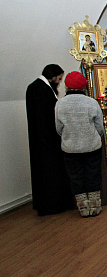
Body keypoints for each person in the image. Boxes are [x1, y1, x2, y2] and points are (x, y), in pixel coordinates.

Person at [26, 64, 74, 216]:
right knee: (50, 173)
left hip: (42, 140)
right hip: (47, 141)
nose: (59, 83)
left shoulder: (35, 87)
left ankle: (51, 203)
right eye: (59, 79)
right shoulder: (42, 90)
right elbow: (48, 118)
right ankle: (53, 204)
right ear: (52, 77)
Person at [55, 71, 105, 217]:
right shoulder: (91, 102)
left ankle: (83, 208)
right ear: (83, 86)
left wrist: (69, 137)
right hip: (91, 146)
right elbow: (99, 126)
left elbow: (58, 128)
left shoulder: (60, 104)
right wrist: (94, 136)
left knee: (76, 177)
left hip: (70, 149)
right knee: (93, 175)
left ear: (67, 87)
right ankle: (95, 207)